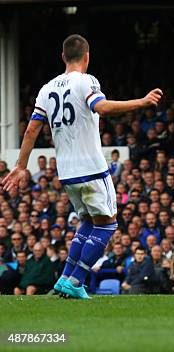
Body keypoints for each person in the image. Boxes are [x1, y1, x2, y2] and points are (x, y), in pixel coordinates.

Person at [1, 34, 162, 299]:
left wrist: (20, 166)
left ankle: (65, 277)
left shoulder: (46, 89)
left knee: (87, 221)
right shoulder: (86, 81)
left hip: (66, 173)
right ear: (87, 57)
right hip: (92, 167)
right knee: (108, 224)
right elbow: (102, 107)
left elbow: (31, 129)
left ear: (63, 57)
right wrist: (141, 102)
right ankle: (77, 280)